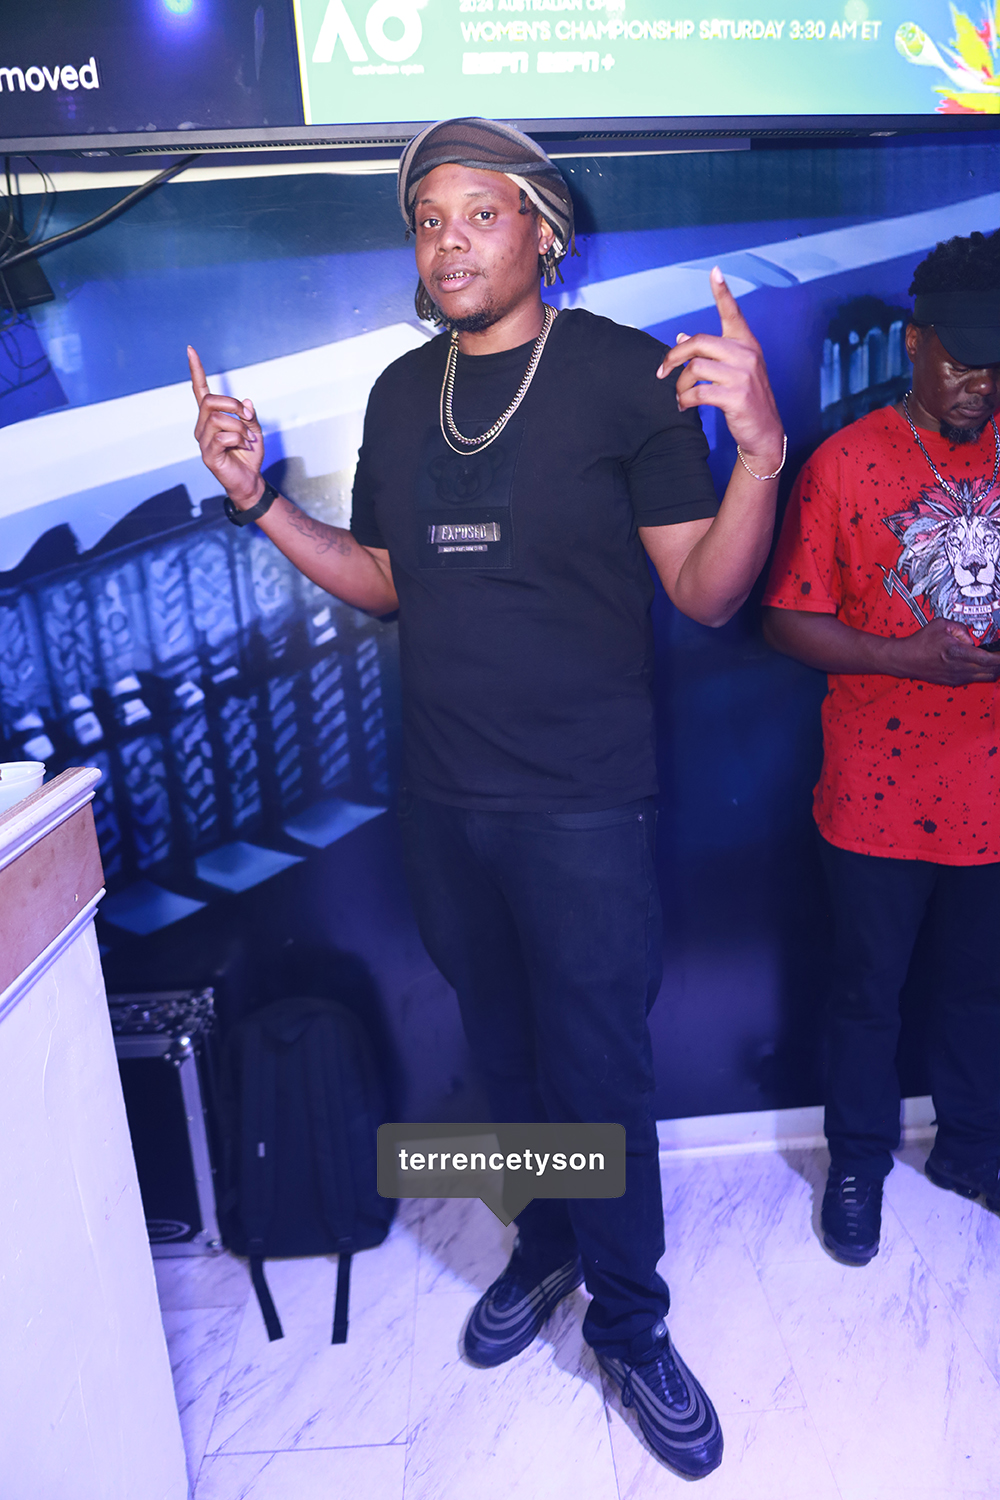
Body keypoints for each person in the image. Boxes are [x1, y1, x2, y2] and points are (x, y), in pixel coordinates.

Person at [189, 117, 784, 1479]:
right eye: (427, 220)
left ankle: (630, 1325)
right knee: (505, 1056)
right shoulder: (404, 394)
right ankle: (549, 1241)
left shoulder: (626, 375)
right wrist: (258, 501)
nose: (446, 242)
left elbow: (707, 591)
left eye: (478, 214)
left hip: (584, 807)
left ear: (544, 232)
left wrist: (757, 452)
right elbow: (388, 581)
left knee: (598, 1071)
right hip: (445, 802)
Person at [763, 229, 1000, 1267]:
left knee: (980, 988)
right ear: (915, 343)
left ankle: (971, 1147)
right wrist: (905, 656)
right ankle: (857, 1163)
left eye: (996, 363)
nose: (979, 383)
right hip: (877, 793)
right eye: (961, 359)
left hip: (992, 790)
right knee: (866, 995)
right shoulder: (846, 462)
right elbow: (785, 619)